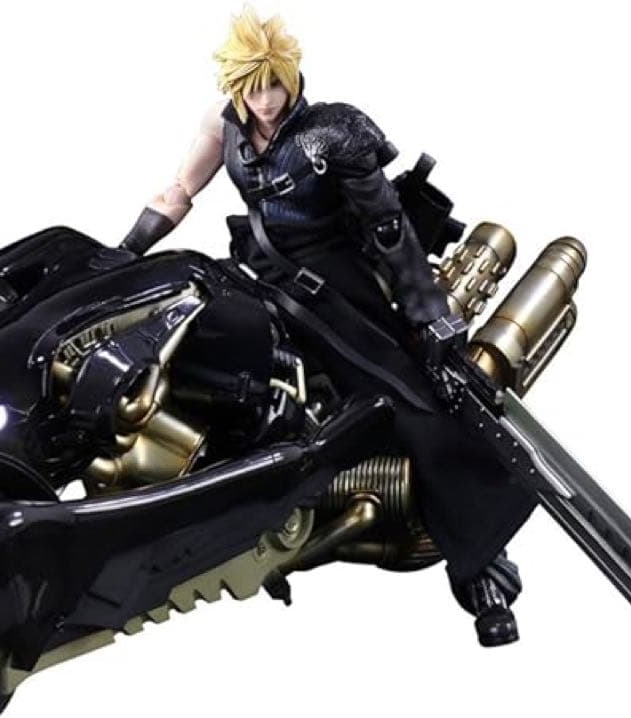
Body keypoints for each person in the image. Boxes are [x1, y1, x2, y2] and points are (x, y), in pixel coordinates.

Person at [118, 7, 531, 647]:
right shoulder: (222, 125)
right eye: (253, 87)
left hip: (332, 284)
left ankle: (480, 565)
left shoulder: (333, 131)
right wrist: (122, 254)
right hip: (254, 271)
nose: (265, 100)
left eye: (274, 84)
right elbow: (177, 190)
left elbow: (388, 227)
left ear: (291, 77)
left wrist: (428, 315)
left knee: (413, 402)